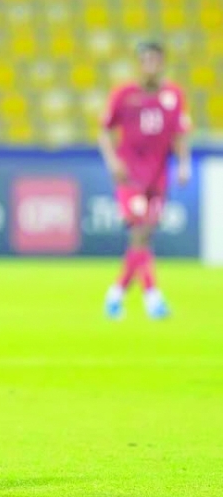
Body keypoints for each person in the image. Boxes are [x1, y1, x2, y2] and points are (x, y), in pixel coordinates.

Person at [99, 41, 191, 320]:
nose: (150, 65)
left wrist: (184, 164)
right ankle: (153, 298)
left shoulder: (174, 95)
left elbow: (180, 133)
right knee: (139, 232)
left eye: (155, 59)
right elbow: (104, 131)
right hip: (130, 177)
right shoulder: (124, 94)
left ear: (162, 63)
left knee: (144, 237)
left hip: (158, 177)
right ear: (138, 63)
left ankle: (115, 295)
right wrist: (113, 162)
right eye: (145, 59)